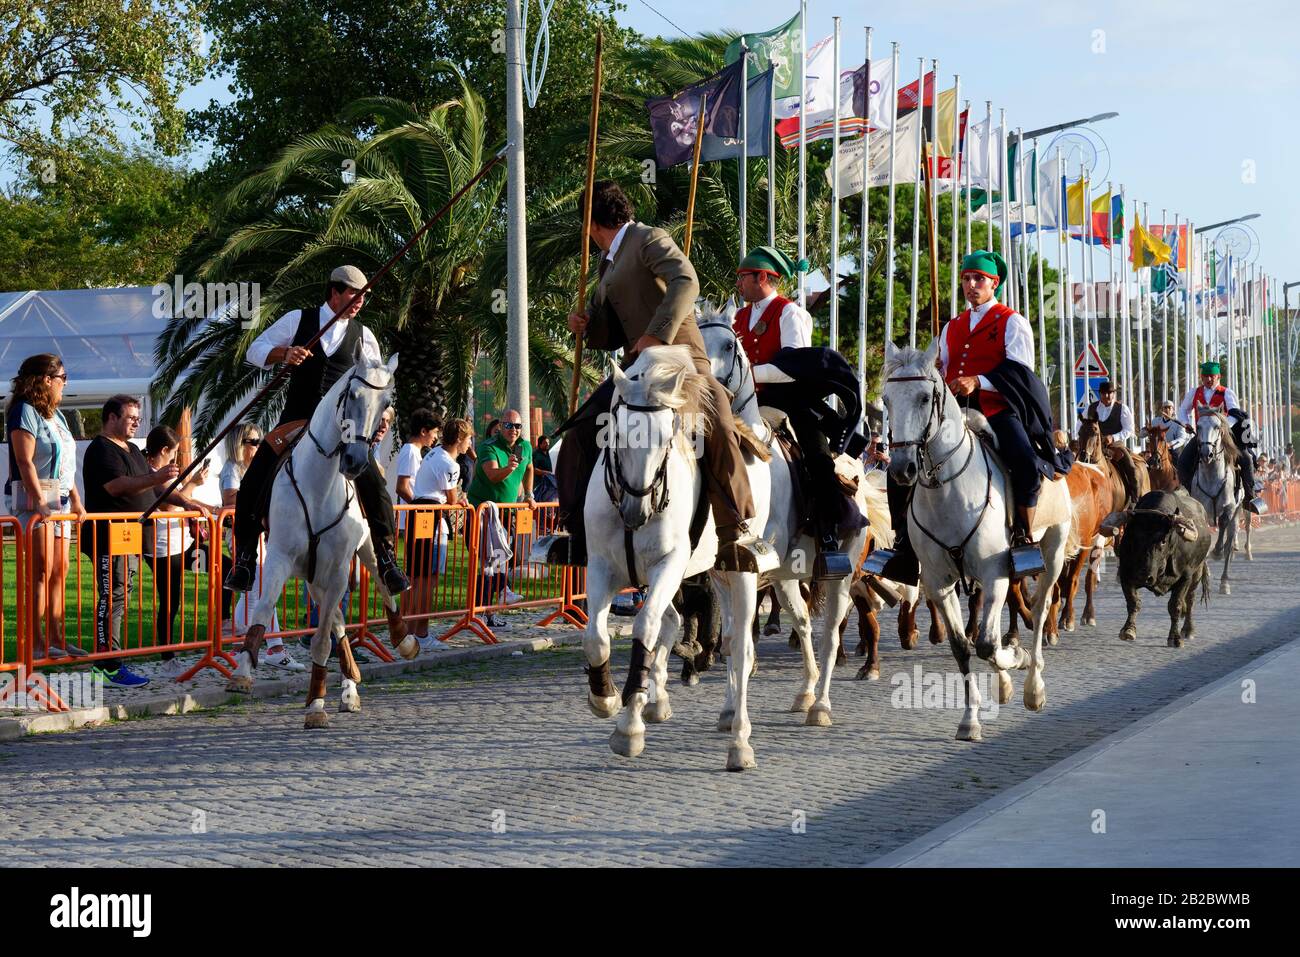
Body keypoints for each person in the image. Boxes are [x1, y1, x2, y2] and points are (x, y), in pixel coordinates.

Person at [538, 180, 769, 572]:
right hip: (637, 369)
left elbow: (686, 280)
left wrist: (656, 333)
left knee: (716, 424)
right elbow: (610, 327)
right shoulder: (606, 263)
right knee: (578, 432)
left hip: (683, 362)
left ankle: (739, 532)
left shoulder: (648, 238)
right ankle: (578, 532)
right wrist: (586, 324)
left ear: (590, 225)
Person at [881, 250, 1071, 585]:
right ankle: (903, 545)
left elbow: (1020, 372)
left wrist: (979, 381)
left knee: (1024, 462)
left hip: (997, 408)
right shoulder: (952, 326)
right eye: (967, 279)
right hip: (950, 412)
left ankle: (1023, 538)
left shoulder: (1011, 321)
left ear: (994, 283)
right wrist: (933, 372)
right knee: (900, 465)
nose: (971, 285)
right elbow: (940, 368)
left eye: (978, 279)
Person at [224, 265, 410, 594]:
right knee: (255, 477)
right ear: (335, 291)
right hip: (296, 419)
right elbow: (254, 349)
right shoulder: (299, 319)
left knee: (374, 483)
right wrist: (284, 353)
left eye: (364, 297)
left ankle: (386, 557)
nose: (359, 302)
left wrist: (383, 409)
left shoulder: (364, 336)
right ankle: (245, 559)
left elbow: (377, 382)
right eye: (354, 294)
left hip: (344, 428)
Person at [81, 396, 201, 687]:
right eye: (131, 417)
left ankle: (112, 660)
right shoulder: (101, 449)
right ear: (111, 417)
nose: (136, 422)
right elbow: (116, 486)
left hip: (131, 535)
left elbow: (157, 487)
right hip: (108, 535)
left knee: (123, 593)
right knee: (113, 596)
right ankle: (108, 664)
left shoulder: (133, 449)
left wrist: (187, 502)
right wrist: (156, 477)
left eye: (138, 417)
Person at [5, 354, 87, 660]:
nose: (65, 384)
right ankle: (36, 643)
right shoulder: (23, 411)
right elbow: (24, 461)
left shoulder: (57, 415)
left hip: (60, 501)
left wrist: (76, 499)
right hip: (35, 503)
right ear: (46, 380)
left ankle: (57, 638)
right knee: (40, 572)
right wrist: (39, 502)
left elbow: (66, 464)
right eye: (62, 378)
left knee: (59, 571)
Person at [219, 423, 300, 670]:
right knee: (262, 589)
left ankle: (237, 643)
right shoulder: (232, 468)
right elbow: (230, 497)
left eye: (259, 441)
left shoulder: (254, 468)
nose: (257, 446)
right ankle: (275, 648)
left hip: (258, 531)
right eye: (252, 442)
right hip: (241, 532)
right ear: (239, 444)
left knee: (256, 590)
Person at [142, 427, 215, 679]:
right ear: (163, 451)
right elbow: (170, 503)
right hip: (163, 548)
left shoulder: (166, 473)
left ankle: (227, 626)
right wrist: (193, 483)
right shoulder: (149, 473)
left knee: (222, 566)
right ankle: (167, 656)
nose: (174, 459)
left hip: (183, 544)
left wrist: (213, 508)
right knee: (170, 600)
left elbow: (185, 500)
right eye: (173, 453)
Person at [408, 417, 473, 650]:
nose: (469, 445)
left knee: (417, 579)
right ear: (458, 439)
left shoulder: (434, 453)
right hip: (432, 520)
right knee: (428, 580)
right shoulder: (450, 464)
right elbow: (453, 499)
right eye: (468, 440)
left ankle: (411, 631)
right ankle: (422, 634)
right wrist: (462, 501)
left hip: (418, 514)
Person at [466, 409, 532, 628]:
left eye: (517, 426)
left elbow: (530, 467)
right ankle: (477, 613)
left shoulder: (525, 446)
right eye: (509, 425)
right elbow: (493, 476)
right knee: (487, 564)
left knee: (500, 561)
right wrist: (509, 468)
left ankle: (490, 612)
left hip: (505, 514)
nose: (514, 430)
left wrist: (529, 494)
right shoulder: (488, 447)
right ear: (500, 426)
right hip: (483, 512)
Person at [1175, 361, 1262, 512]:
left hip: (1224, 434)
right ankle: (1190, 493)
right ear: (1201, 377)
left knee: (1246, 459)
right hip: (1202, 436)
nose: (1208, 379)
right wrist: (1186, 423)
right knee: (1182, 462)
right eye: (1205, 376)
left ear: (1218, 376)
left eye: (1211, 376)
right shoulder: (1194, 392)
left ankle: (1250, 496)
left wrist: (1221, 426)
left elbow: (1235, 413)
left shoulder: (1226, 392)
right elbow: (1183, 410)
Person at [1080, 380, 1139, 501]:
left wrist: (1114, 437)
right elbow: (1080, 425)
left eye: (1110, 393)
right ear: (1100, 394)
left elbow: (1129, 429)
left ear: (1113, 394)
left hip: (1115, 446)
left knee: (1131, 468)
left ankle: (1135, 499)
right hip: (1093, 445)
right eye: (1104, 393)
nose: (1107, 396)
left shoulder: (1122, 408)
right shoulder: (1091, 408)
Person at [395, 408, 441, 509]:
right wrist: (419, 508)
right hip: (410, 518)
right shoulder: (410, 451)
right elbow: (401, 487)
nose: (436, 437)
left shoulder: (414, 451)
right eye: (435, 432)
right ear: (423, 431)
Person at [532, 434, 558, 502]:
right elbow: (533, 469)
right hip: (538, 485)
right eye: (545, 443)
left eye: (548, 442)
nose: (547, 444)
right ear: (540, 444)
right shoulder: (536, 454)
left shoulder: (548, 453)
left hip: (548, 484)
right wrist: (546, 473)